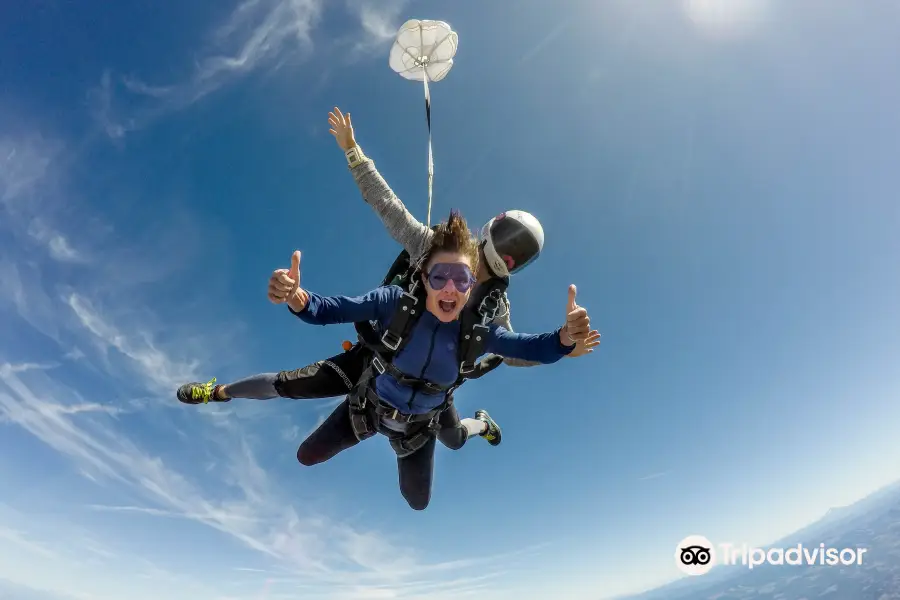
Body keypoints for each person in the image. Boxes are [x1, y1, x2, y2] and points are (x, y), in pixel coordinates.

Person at [175, 107, 600, 452]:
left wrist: (563, 347)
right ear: (492, 231)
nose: (506, 257)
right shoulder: (433, 246)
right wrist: (353, 152)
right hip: (375, 356)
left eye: (518, 255)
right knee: (289, 384)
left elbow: (511, 351)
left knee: (453, 439)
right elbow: (386, 205)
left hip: (434, 389)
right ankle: (219, 392)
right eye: (511, 246)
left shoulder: (495, 306)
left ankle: (479, 424)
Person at [251, 210, 593, 509]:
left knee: (443, 459)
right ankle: (372, 406)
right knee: (307, 454)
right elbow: (384, 214)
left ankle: (484, 424)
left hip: (429, 406)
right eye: (440, 277)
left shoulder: (488, 318)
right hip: (378, 388)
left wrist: (564, 341)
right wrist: (297, 297)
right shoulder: (413, 277)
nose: (450, 289)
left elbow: (523, 348)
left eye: (462, 281)